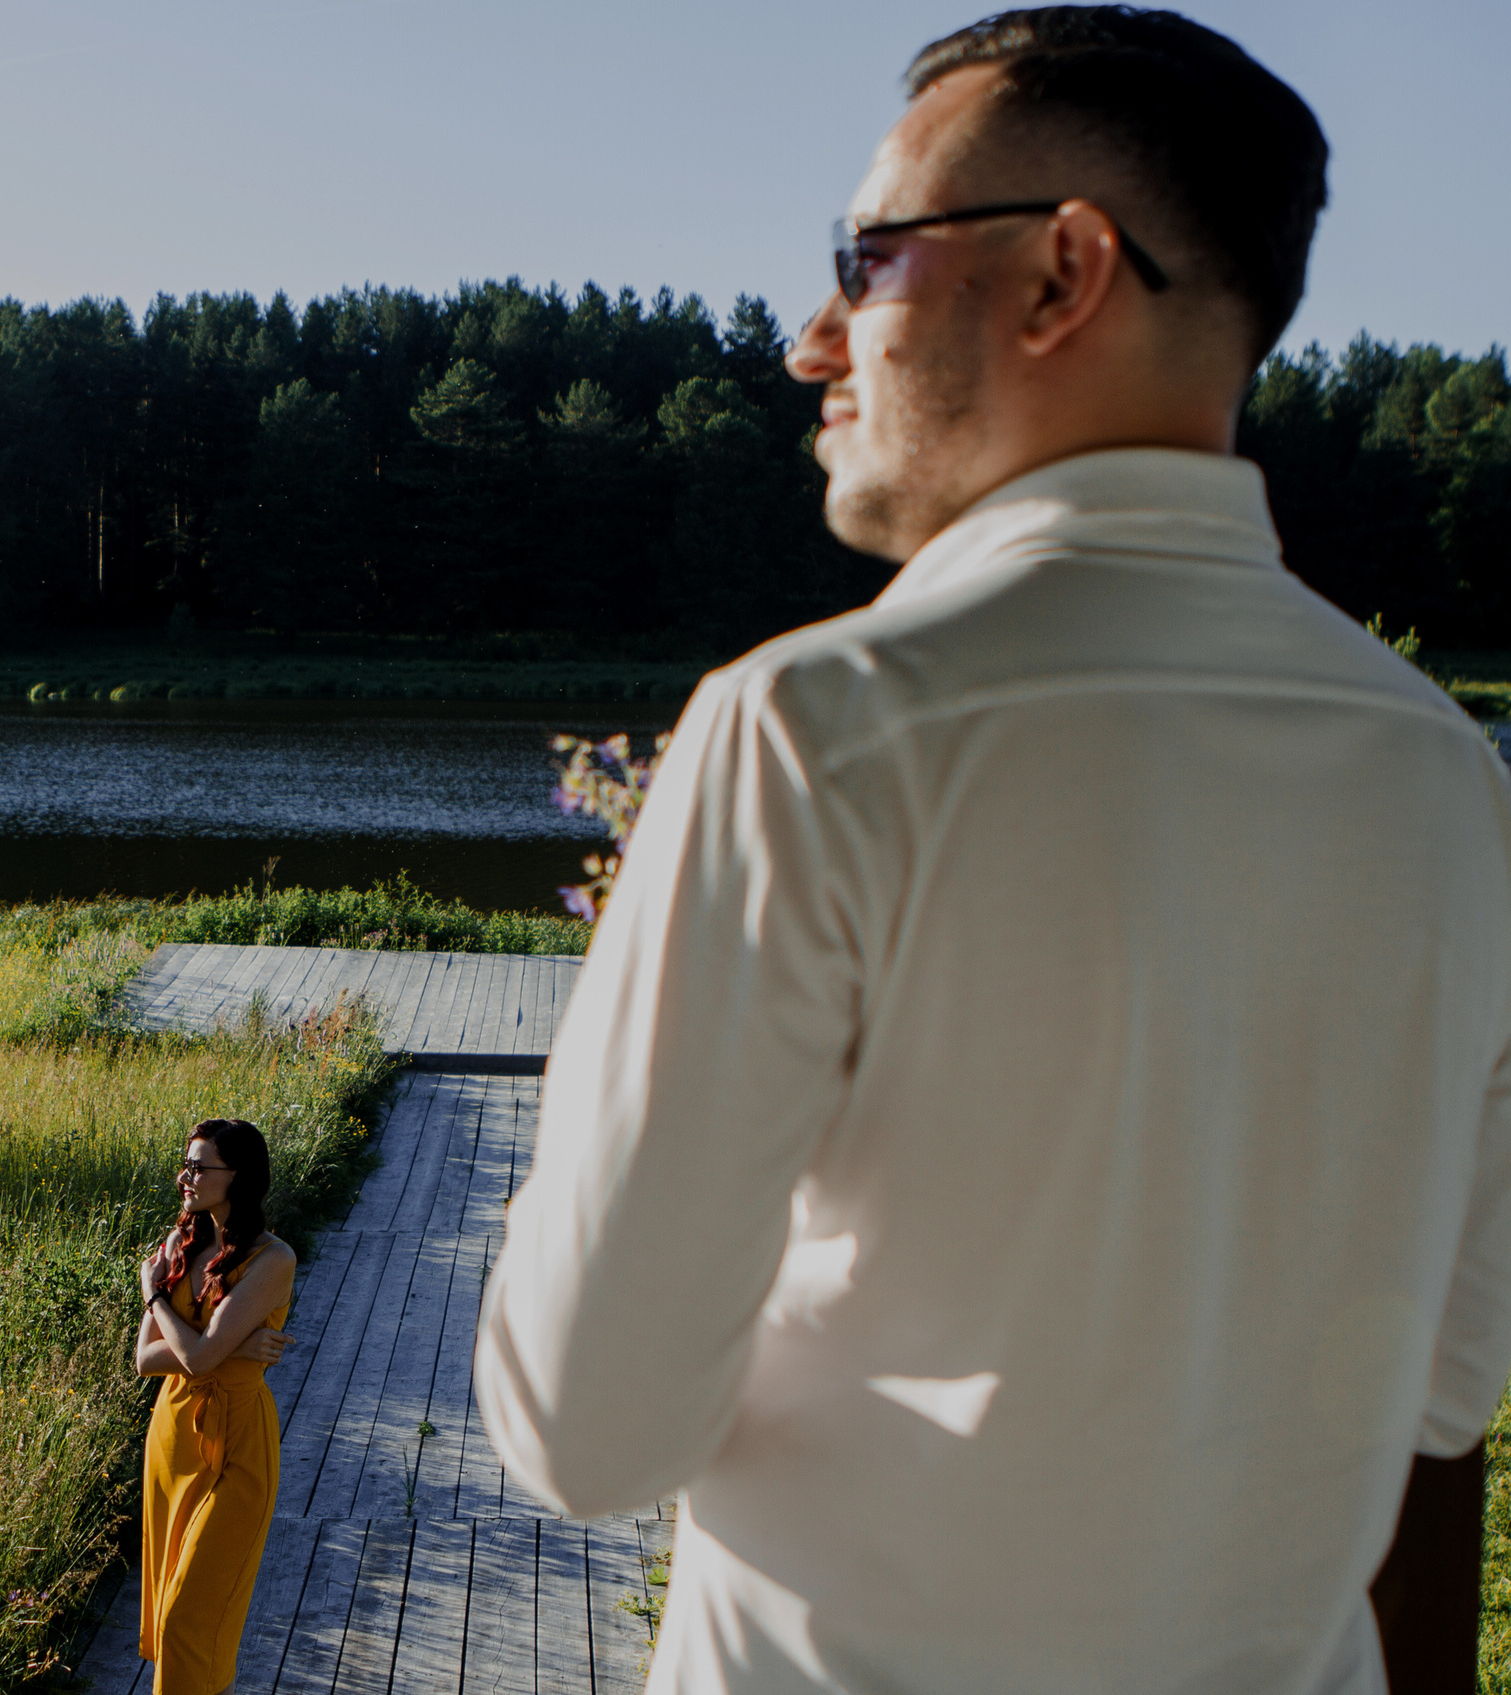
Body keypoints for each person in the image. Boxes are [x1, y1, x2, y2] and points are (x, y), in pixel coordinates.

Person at [474, 9, 1511, 1692]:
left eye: (867, 258)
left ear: (1061, 275)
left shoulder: (815, 734)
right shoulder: (1454, 780)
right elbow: (1441, 1389)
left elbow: (582, 1430)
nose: (812, 340)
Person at [135, 1117, 296, 1695]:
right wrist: (231, 1346)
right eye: (186, 1164)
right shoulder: (178, 1244)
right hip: (173, 1435)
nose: (186, 1177)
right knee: (176, 1620)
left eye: (201, 1167)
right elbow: (145, 1358)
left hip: (238, 1444)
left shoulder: (272, 1259)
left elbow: (199, 1357)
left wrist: (155, 1296)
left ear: (239, 1177)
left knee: (191, 1618)